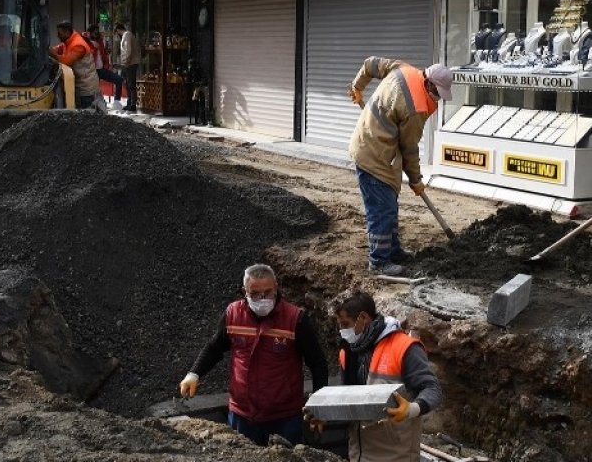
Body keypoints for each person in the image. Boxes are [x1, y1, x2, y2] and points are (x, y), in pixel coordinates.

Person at [179, 264, 328, 446]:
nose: (263, 299)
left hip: (284, 417)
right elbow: (214, 348)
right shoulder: (233, 314)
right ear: (245, 291)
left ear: (276, 287)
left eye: (268, 292)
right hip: (243, 415)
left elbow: (318, 363)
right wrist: (194, 374)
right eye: (255, 294)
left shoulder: (294, 319)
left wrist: (320, 406)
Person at [347, 57, 454, 276]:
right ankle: (378, 262)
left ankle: (392, 251)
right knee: (381, 210)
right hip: (374, 155)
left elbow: (370, 64)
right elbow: (409, 149)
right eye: (437, 92)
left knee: (388, 205)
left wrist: (358, 86)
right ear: (429, 83)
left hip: (371, 143)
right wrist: (416, 180)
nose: (437, 98)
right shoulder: (416, 108)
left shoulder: (402, 69)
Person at [328, 290, 443, 462]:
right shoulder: (349, 352)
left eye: (346, 324)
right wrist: (326, 417)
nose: (342, 331)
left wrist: (412, 409)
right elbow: (350, 404)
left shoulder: (404, 347)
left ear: (363, 317)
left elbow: (433, 389)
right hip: (358, 454)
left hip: (396, 456)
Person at [49, 20, 99, 109]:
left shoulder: (78, 45)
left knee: (86, 113)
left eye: (60, 33)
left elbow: (66, 61)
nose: (57, 35)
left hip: (86, 89)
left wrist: (53, 54)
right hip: (79, 86)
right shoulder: (68, 40)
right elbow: (60, 47)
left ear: (67, 32)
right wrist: (52, 50)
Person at [86, 25, 125, 109]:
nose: (96, 33)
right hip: (92, 70)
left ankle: (116, 101)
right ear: (90, 33)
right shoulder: (86, 42)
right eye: (94, 32)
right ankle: (95, 104)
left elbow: (103, 54)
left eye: (97, 31)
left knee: (118, 79)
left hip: (101, 69)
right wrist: (93, 46)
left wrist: (107, 64)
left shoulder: (100, 41)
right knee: (93, 89)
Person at [116, 22, 140, 113]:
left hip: (130, 63)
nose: (117, 34)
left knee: (130, 84)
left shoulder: (127, 35)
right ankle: (130, 103)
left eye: (117, 32)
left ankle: (132, 104)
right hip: (129, 63)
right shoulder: (128, 35)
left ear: (118, 30)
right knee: (127, 83)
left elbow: (128, 49)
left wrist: (126, 61)